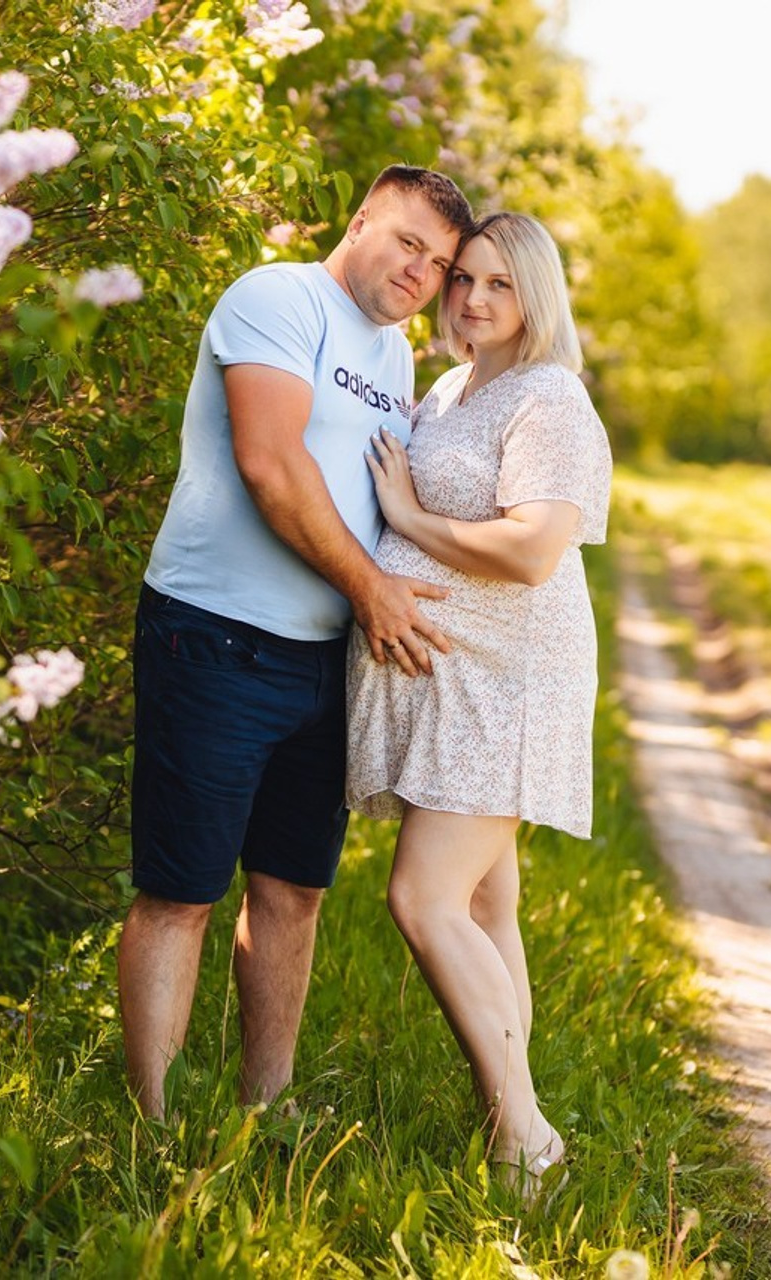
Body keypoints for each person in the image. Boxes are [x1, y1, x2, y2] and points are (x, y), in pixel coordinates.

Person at [119, 166, 474, 1120]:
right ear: (360, 222)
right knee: (182, 893)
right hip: (214, 641)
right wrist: (373, 591)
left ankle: (264, 1115)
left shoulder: (394, 357)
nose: (420, 272)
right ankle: (149, 1133)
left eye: (439, 264)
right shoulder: (279, 299)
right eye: (407, 242)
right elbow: (270, 463)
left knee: (292, 891)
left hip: (326, 661)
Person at [346, 212, 612, 1191]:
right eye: (463, 278)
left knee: (422, 897)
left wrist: (408, 518)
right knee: (488, 903)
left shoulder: (548, 397)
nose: (471, 297)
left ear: (534, 295)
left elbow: (533, 549)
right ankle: (512, 1126)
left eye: (498, 283)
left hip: (513, 680)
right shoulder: (454, 386)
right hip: (453, 679)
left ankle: (525, 1133)